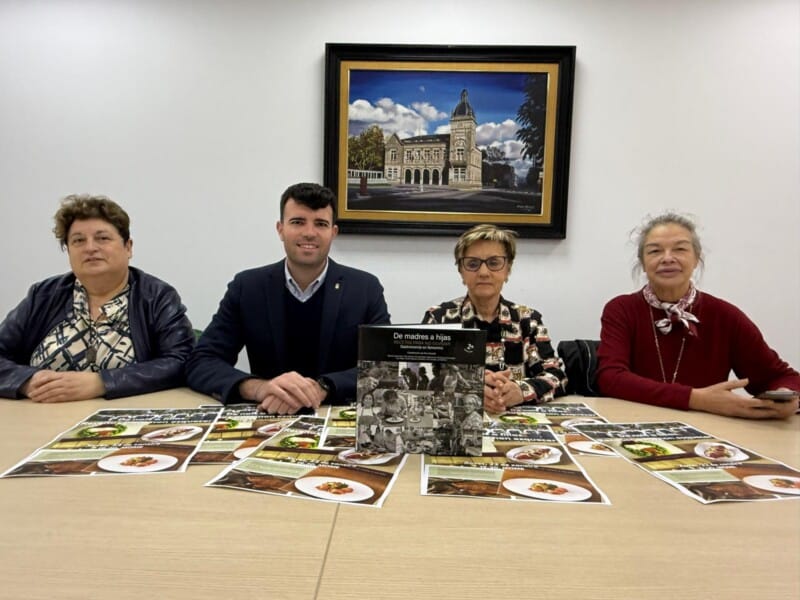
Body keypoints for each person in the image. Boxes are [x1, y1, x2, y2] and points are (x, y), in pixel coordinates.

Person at [186, 182, 390, 414]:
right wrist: (259, 388)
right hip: (268, 414)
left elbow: (384, 366)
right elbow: (202, 361)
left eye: (320, 224)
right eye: (297, 222)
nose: (309, 233)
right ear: (280, 229)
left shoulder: (365, 288)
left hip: (335, 416)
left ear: (333, 232)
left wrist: (323, 387)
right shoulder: (248, 287)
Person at [596, 212, 800, 418]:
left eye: (680, 249)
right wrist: (698, 399)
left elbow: (782, 377)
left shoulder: (725, 315)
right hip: (634, 425)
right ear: (642, 262)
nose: (667, 258)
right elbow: (610, 378)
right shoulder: (621, 309)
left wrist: (785, 397)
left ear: (696, 259)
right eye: (655, 251)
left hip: (709, 439)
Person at [0, 194, 194, 402]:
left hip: (122, 416)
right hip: (39, 416)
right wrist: (27, 381)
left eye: (102, 238)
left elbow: (182, 361)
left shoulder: (156, 297)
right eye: (78, 240)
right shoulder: (43, 296)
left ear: (128, 247)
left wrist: (102, 382)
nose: (90, 248)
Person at [422, 223, 567, 412]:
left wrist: (520, 390)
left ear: (507, 270)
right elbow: (422, 376)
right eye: (472, 264)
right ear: (461, 272)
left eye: (494, 263)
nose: (483, 272)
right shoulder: (439, 318)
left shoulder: (528, 320)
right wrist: (471, 389)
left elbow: (557, 375)